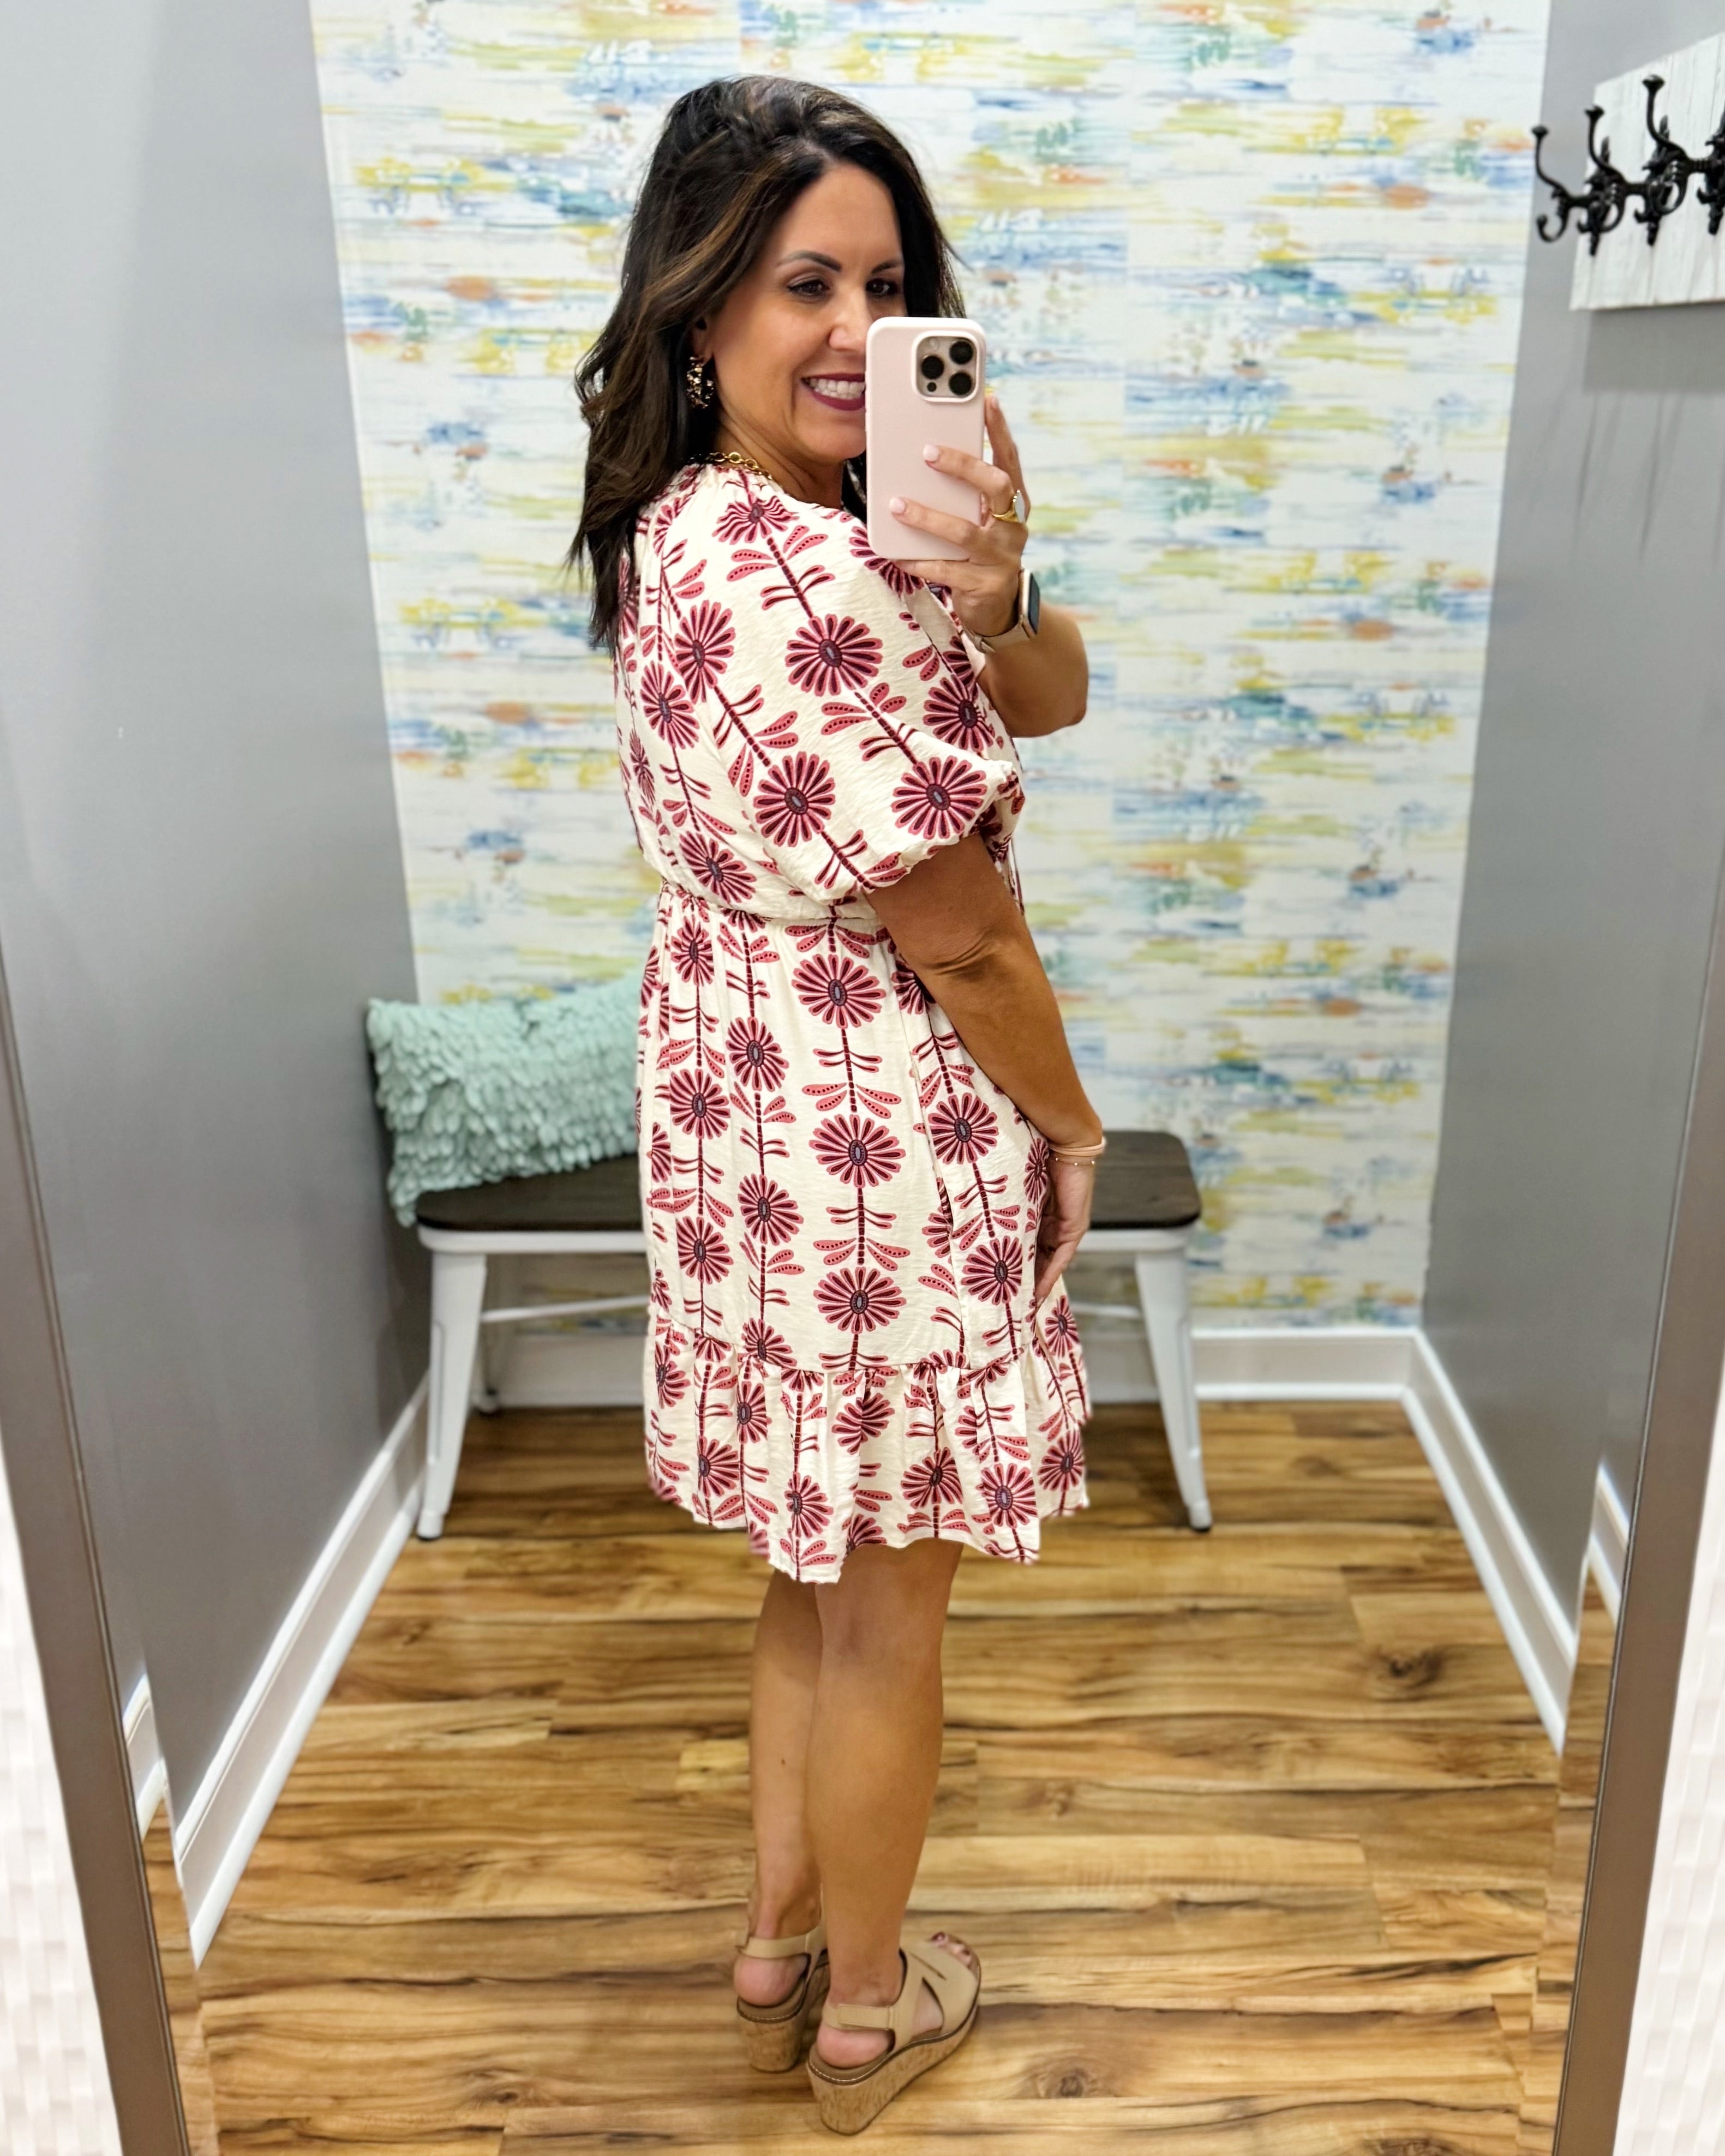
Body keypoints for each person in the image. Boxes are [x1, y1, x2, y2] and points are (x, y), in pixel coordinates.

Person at [570, 74, 1102, 2135]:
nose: (845, 328)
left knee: (813, 1553)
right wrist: (1067, 1127)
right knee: (887, 1603)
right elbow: (955, 924)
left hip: (745, 1105)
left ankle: (780, 1938)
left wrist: (996, 592)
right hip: (866, 1111)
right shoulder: (786, 579)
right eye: (802, 280)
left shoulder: (731, 529)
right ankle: (871, 2011)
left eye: (882, 285)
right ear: (698, 303)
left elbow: (1047, 690)